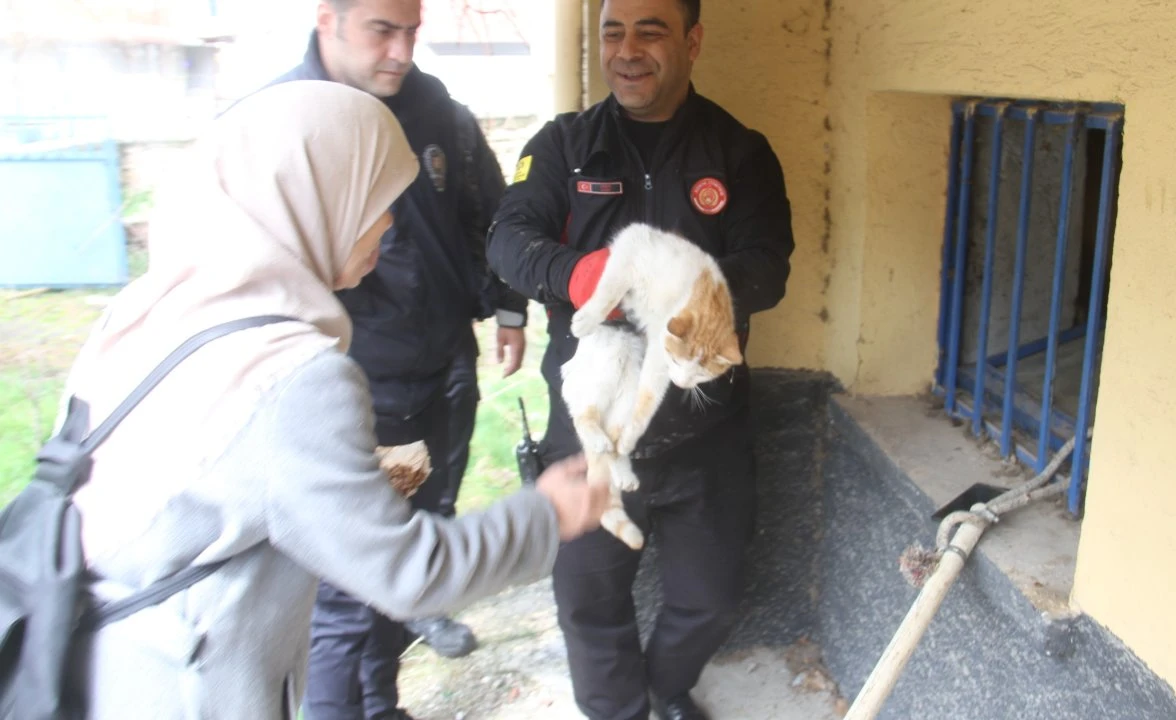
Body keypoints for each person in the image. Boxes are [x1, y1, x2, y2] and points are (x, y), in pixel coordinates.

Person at [58, 80, 608, 720]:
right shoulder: (293, 377)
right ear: (312, 199)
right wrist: (545, 513)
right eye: (374, 199)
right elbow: (407, 573)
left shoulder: (148, 314)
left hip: (92, 669)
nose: (391, 223)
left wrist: (353, 478)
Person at [485, 0, 794, 718]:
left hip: (706, 427)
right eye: (612, 32)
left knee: (710, 600)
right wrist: (579, 277)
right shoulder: (562, 146)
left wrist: (688, 292)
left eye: (649, 32)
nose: (626, 51)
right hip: (591, 427)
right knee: (588, 605)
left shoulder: (741, 151)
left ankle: (665, 688)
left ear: (693, 40)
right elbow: (508, 238)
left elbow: (769, 265)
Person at [262, 0, 528, 716]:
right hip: (349, 389)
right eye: (382, 30)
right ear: (329, 19)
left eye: (412, 31)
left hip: (443, 371)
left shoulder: (435, 109)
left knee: (415, 554)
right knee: (345, 596)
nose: (402, 51)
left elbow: (489, 209)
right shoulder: (281, 123)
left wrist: (505, 303)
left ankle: (382, 703)